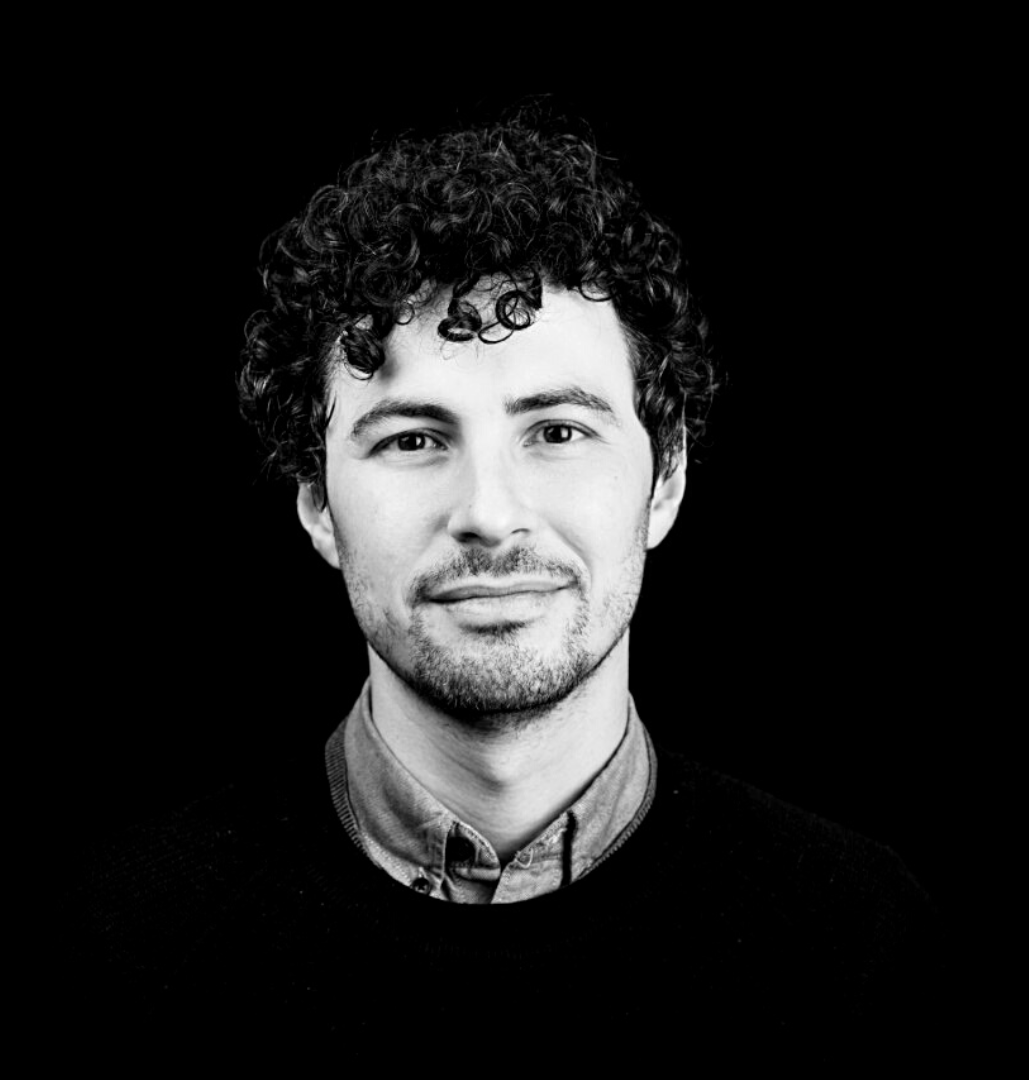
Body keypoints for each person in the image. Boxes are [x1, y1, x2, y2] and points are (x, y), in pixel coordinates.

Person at [61, 104, 950, 1064]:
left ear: (665, 482)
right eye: (413, 440)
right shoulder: (120, 948)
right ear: (317, 502)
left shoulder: (864, 945)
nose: (489, 511)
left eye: (558, 432)